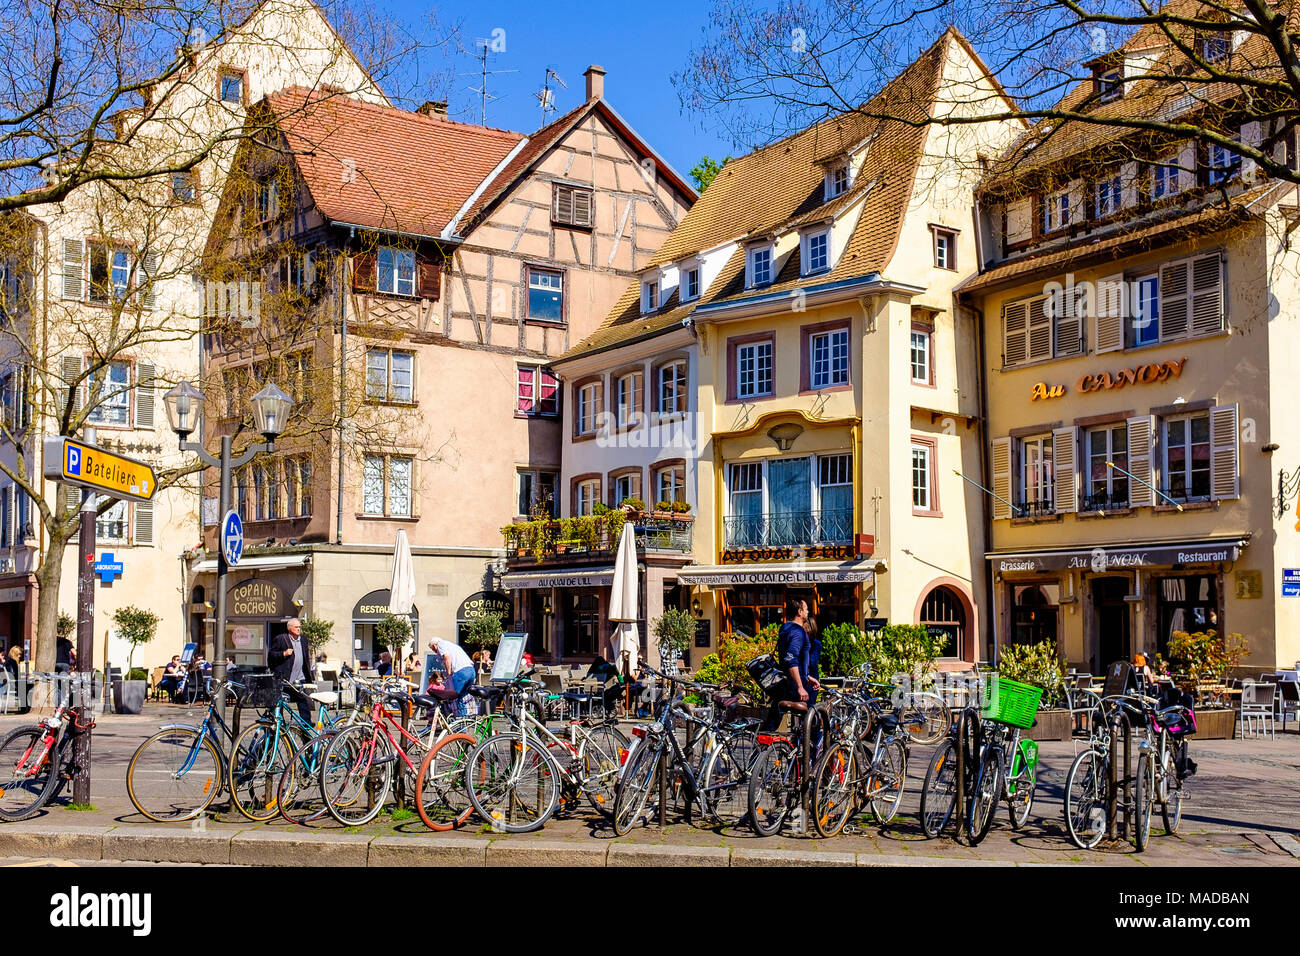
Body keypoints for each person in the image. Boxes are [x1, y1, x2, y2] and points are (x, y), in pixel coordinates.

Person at [761, 597, 820, 732]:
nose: (808, 612)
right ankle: (810, 752)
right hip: (794, 686)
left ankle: (759, 748)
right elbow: (791, 659)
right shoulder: (798, 632)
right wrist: (800, 686)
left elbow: (794, 661)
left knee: (773, 720)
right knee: (813, 722)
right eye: (806, 609)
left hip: (786, 681)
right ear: (799, 611)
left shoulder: (787, 628)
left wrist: (807, 677)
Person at [269, 617, 315, 723]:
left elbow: (305, 657)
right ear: (289, 628)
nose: (299, 629)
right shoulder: (281, 639)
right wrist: (283, 654)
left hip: (300, 679)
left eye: (299, 627)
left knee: (303, 700)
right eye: (296, 627)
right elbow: (271, 655)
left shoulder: (303, 639)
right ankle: (278, 725)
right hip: (285, 679)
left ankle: (306, 727)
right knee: (279, 702)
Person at [429, 636, 476, 716]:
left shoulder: (441, 645)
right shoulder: (452, 645)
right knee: (462, 698)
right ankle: (462, 722)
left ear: (434, 646)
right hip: (471, 670)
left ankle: (455, 724)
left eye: (434, 650)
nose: (436, 653)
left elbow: (447, 657)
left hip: (460, 672)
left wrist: (448, 674)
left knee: (452, 698)